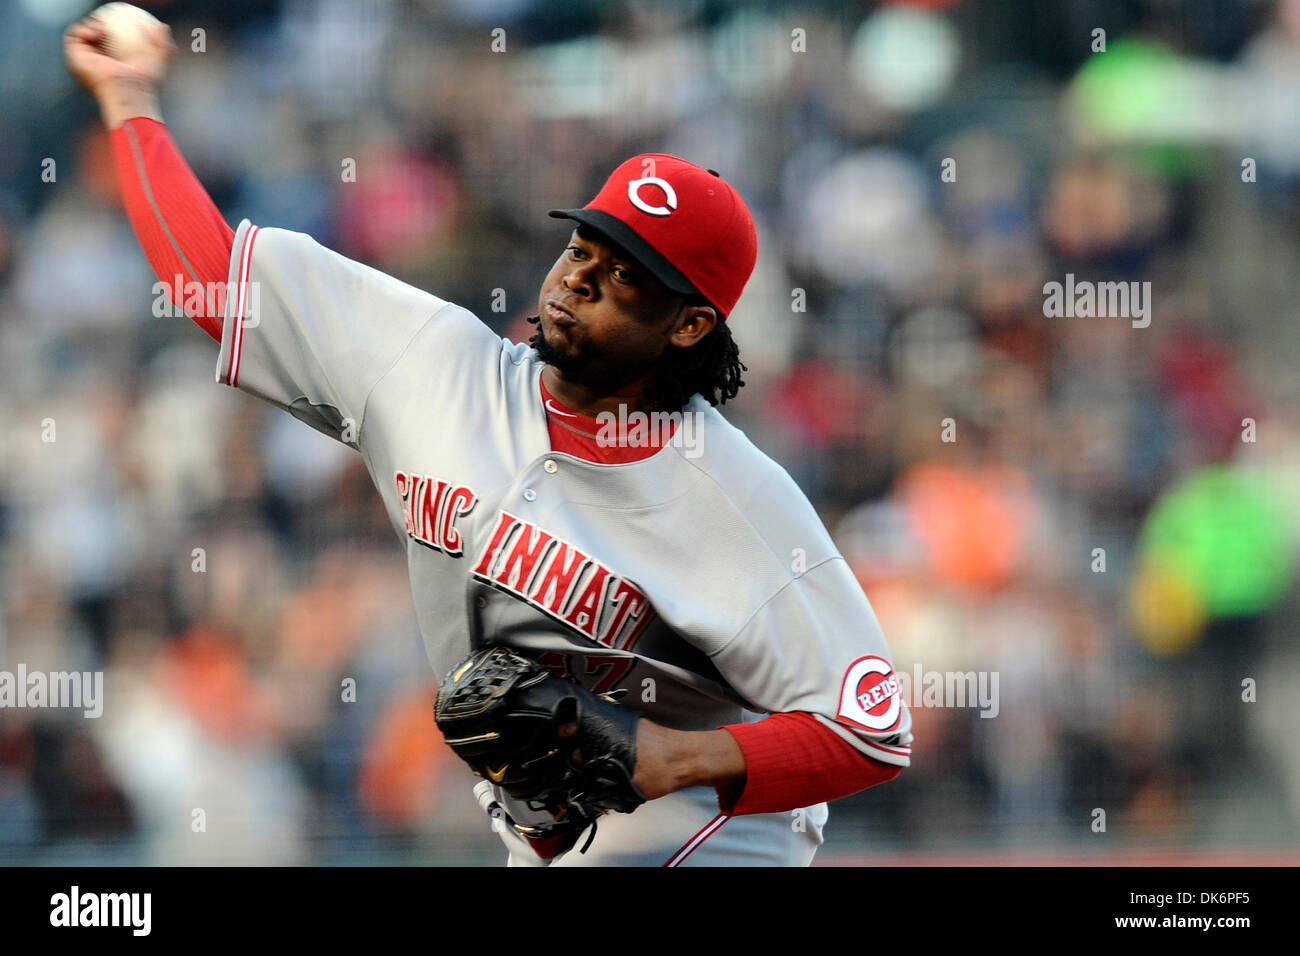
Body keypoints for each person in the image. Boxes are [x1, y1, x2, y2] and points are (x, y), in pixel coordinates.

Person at [64, 11, 913, 866]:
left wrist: (673, 757)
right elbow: (216, 282)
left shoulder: (739, 499)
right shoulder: (430, 365)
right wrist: (130, 94)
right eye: (584, 243)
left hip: (708, 829)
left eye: (624, 274)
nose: (579, 274)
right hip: (552, 837)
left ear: (690, 324)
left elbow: (873, 732)